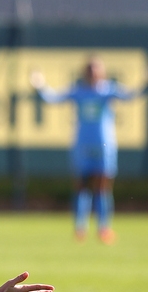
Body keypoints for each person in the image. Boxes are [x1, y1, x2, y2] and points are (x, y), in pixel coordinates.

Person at [30, 56, 148, 244]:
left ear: (102, 73)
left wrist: (144, 83)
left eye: (96, 70)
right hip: (83, 145)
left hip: (104, 144)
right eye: (90, 70)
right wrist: (39, 85)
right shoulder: (78, 91)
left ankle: (104, 227)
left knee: (102, 187)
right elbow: (53, 98)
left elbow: (131, 96)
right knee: (81, 186)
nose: (93, 74)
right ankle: (80, 227)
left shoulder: (109, 90)